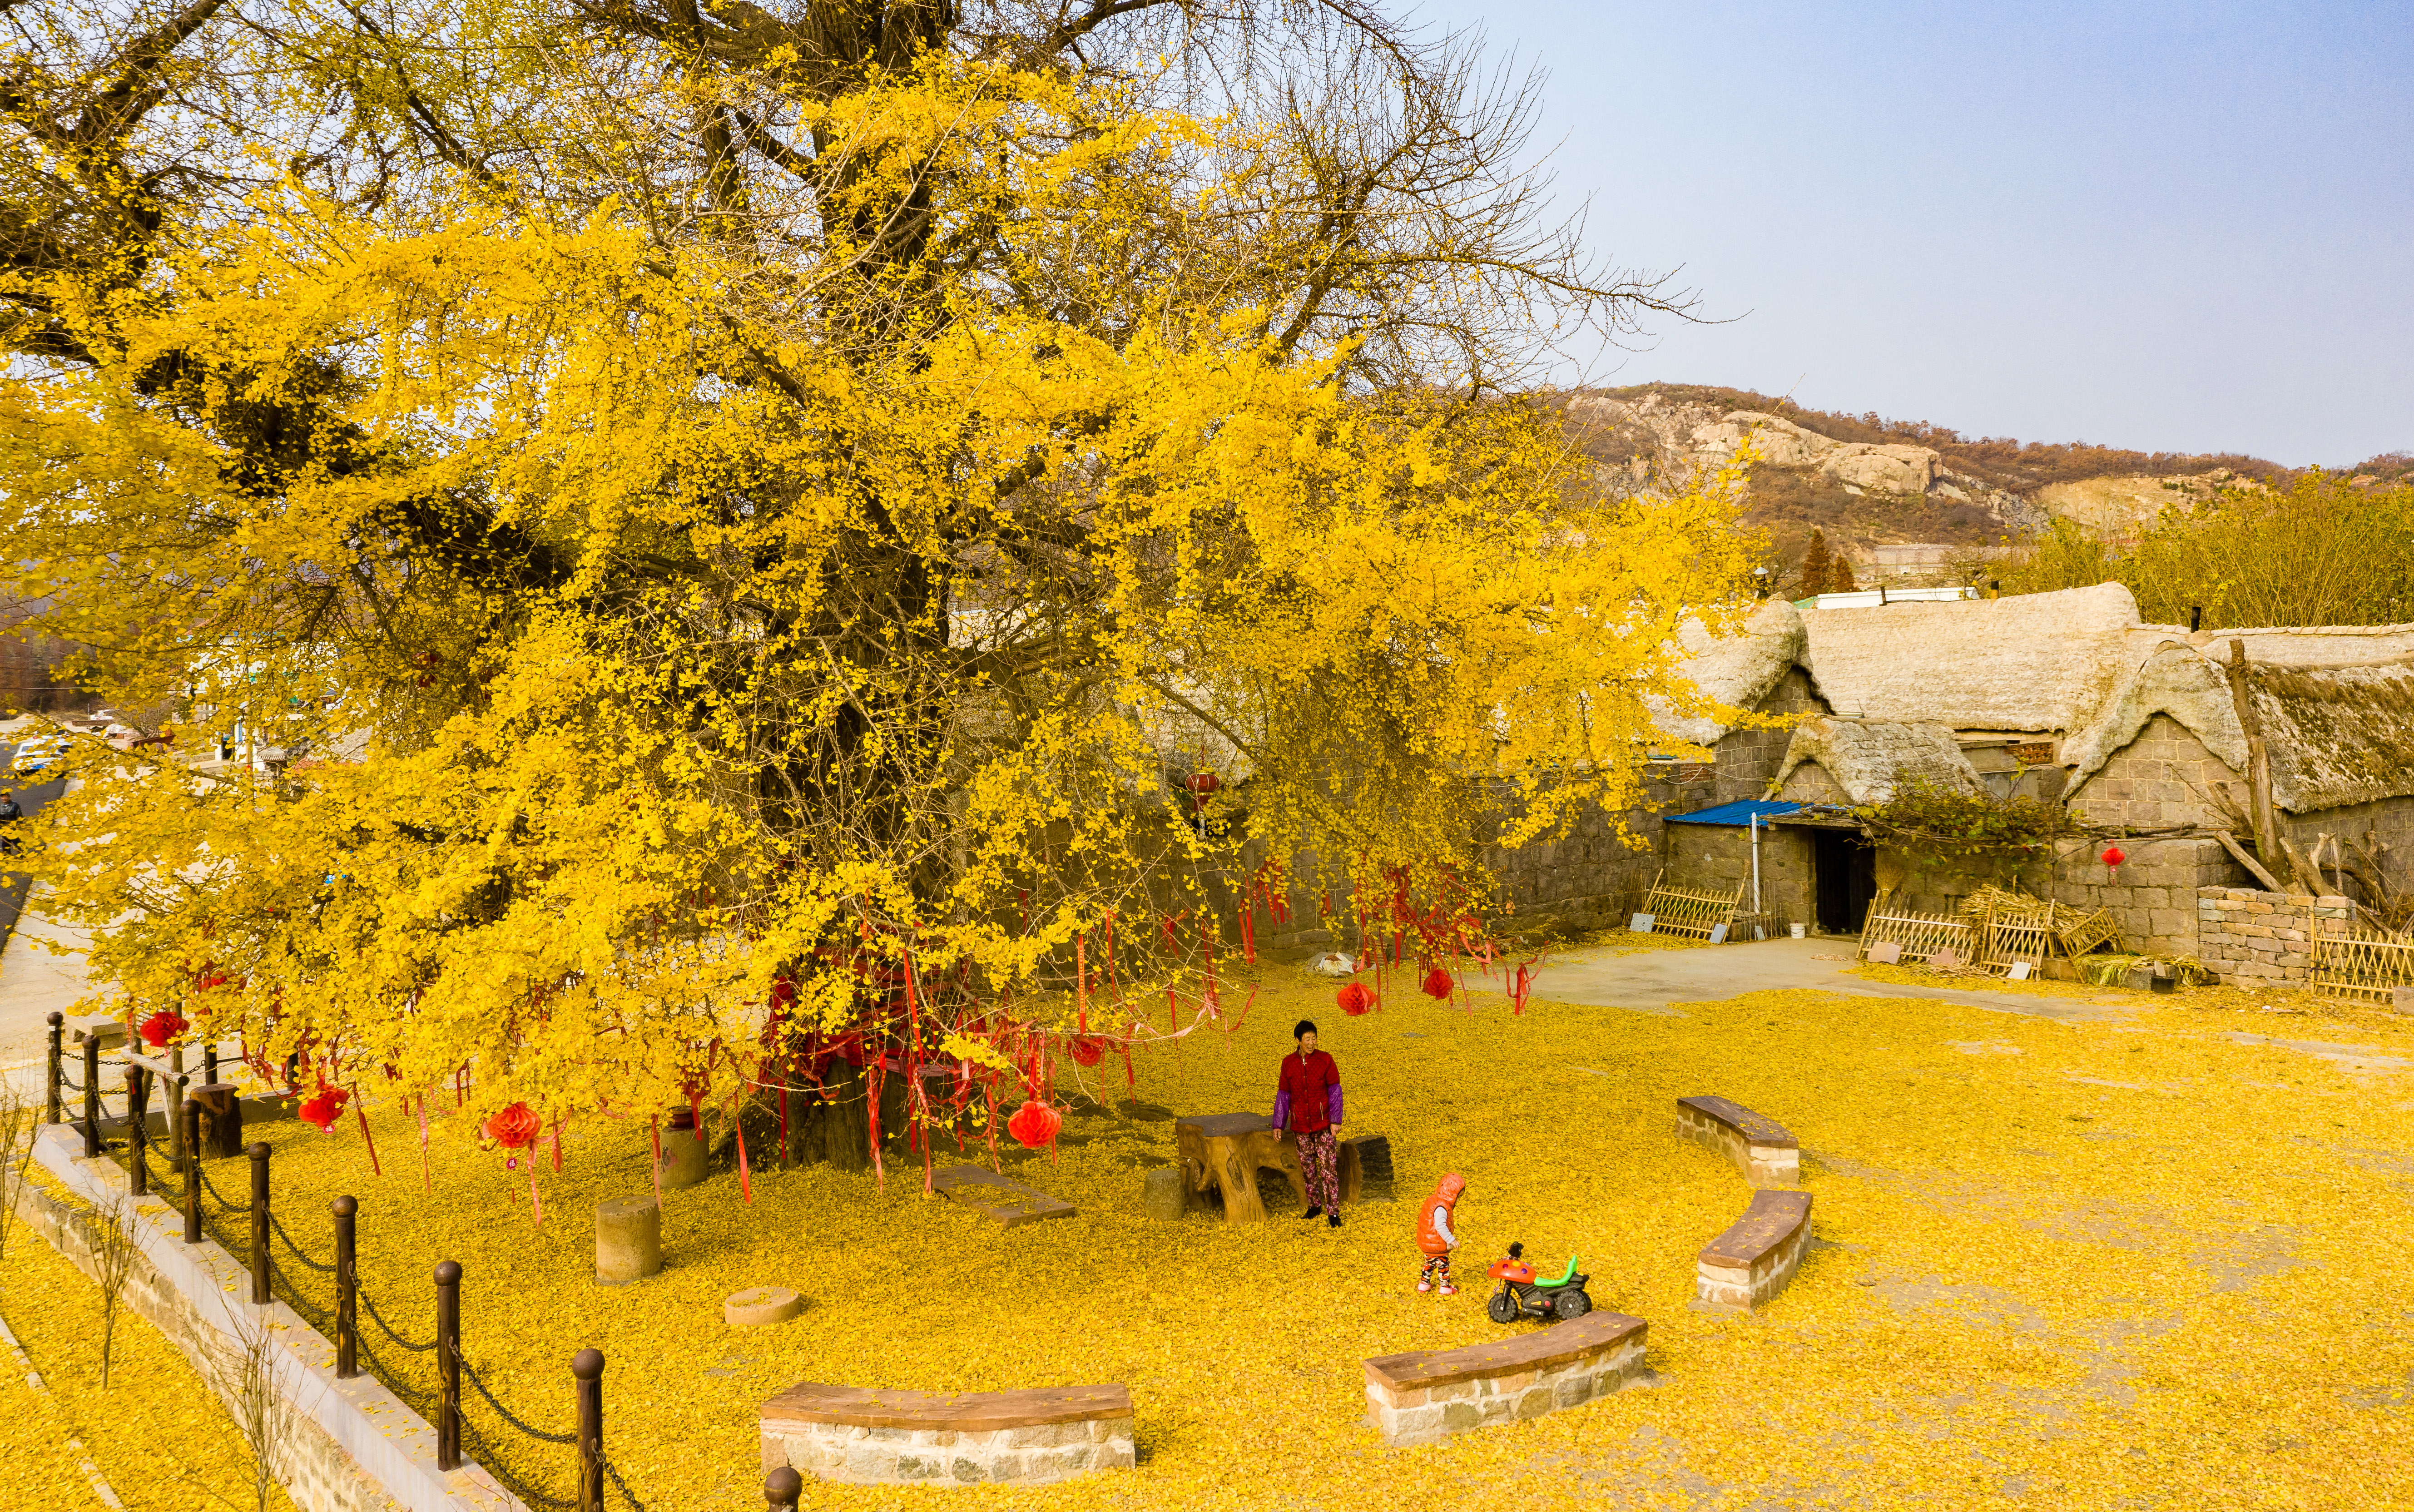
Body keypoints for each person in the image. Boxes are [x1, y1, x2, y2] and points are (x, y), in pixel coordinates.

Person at [1272, 1017, 1344, 1227]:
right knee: (1308, 1168)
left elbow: (1335, 1092)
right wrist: (1278, 1124)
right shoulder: (1288, 1063)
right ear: (1298, 1040)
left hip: (1324, 1125)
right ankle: (1314, 1205)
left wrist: (1336, 1120)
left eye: (1314, 1039)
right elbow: (1284, 1095)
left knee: (1328, 1170)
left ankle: (1333, 1212)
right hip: (1300, 1126)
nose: (1311, 1043)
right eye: (1307, 1039)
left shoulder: (1326, 1060)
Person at [1416, 1171, 1467, 1295]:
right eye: (1458, 1197)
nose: (1458, 1200)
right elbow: (1440, 1226)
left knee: (1430, 1263)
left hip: (1427, 1242)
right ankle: (1445, 1287)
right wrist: (1451, 1240)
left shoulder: (1434, 1201)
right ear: (1451, 1194)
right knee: (1443, 1265)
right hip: (1436, 1244)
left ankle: (1424, 1284)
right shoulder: (1441, 1208)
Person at [0, 789, 20, 856]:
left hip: (14, 829)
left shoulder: (15, 805)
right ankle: (8, 858)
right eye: (3, 797)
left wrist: (19, 827)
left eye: (6, 797)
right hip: (5, 830)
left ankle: (23, 857)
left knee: (18, 844)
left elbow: (19, 816)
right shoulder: (1, 807)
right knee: (5, 845)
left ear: (9, 797)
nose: (4, 798)